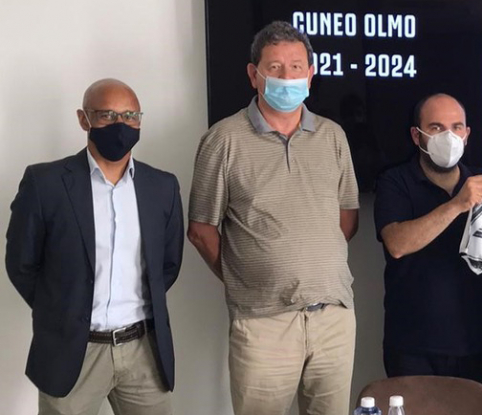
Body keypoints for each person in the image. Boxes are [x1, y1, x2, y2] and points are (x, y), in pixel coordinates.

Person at [187, 21, 359, 415]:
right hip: (263, 323)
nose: (287, 77)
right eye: (275, 67)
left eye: (296, 67)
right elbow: (200, 230)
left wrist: (308, 260)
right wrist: (248, 277)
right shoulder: (223, 139)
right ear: (254, 75)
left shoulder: (333, 136)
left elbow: (347, 218)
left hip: (333, 318)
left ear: (310, 75)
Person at [6, 78, 184, 415]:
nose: (121, 125)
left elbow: (168, 265)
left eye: (130, 116)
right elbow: (21, 264)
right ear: (83, 119)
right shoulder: (45, 184)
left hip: (144, 350)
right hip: (73, 351)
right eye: (107, 115)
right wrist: (61, 309)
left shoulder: (161, 187)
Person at [374, 93, 482, 387]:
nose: (448, 136)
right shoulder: (395, 181)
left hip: (472, 342)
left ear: (467, 135)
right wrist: (457, 204)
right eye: (436, 127)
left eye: (456, 127)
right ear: (417, 135)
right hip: (412, 346)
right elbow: (397, 244)